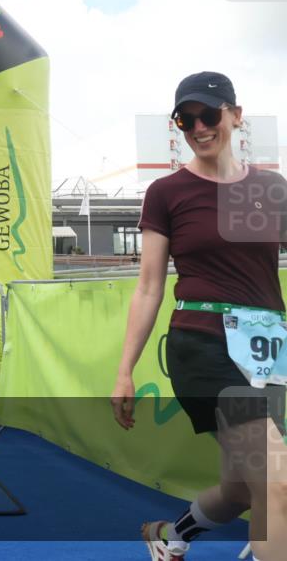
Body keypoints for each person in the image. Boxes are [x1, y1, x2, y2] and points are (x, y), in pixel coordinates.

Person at [111, 72, 286, 561]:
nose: (198, 127)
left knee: (242, 487)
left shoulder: (272, 188)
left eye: (208, 114)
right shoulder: (167, 192)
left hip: (268, 355)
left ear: (235, 114)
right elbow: (149, 287)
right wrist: (124, 371)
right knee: (277, 482)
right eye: (185, 119)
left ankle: (170, 534)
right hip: (204, 346)